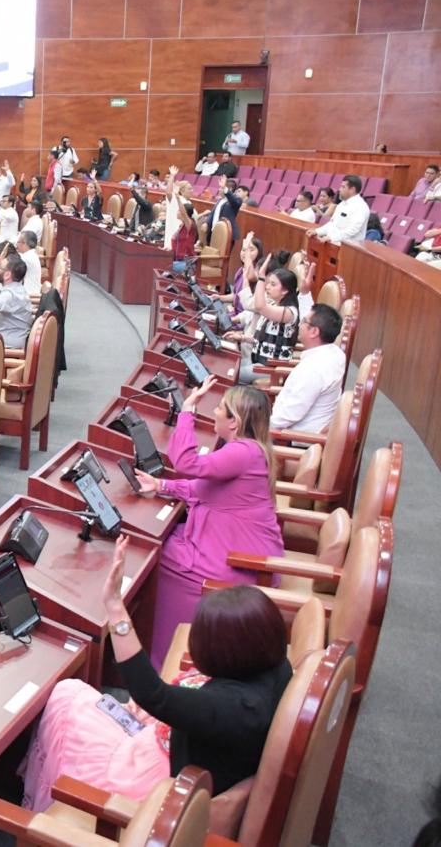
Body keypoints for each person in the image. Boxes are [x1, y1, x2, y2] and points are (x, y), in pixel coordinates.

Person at [20, 546, 292, 810]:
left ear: (221, 653)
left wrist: (115, 606)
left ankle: (40, 810)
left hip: (149, 781)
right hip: (179, 752)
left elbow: (152, 694)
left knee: (66, 696)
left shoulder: (231, 708)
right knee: (76, 697)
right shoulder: (278, 667)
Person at [132, 378, 285, 660]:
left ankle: (164, 658)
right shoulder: (249, 449)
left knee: (155, 556)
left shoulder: (242, 452)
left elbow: (186, 463)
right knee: (159, 544)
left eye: (219, 408)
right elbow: (204, 488)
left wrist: (187, 410)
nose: (214, 412)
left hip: (239, 562)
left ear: (234, 422)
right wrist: (161, 485)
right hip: (236, 548)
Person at [270, 304, 345, 433]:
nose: (299, 324)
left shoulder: (314, 369)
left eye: (303, 321)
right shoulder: (336, 353)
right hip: (299, 425)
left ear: (314, 332)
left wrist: (257, 426)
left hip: (293, 436)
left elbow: (287, 417)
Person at [227, 266, 301, 383]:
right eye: (268, 283)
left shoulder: (289, 312)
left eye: (273, 284)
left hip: (270, 367)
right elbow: (263, 338)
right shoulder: (275, 305)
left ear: (285, 291)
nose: (267, 287)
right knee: (229, 362)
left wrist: (261, 278)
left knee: (229, 374)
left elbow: (259, 306)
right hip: (258, 360)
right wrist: (242, 337)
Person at [0, 251, 34, 350]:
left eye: (0, 267)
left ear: (7, 275)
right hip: (7, 336)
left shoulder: (11, 295)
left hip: (6, 345)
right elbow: (5, 323)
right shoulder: (16, 289)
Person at [307, 175, 369, 244]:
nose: (339, 189)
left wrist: (332, 237)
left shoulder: (361, 207)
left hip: (347, 247)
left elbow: (353, 230)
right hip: (332, 243)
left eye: (343, 187)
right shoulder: (341, 204)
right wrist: (317, 231)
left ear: (352, 189)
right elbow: (332, 224)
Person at [206, 175, 245, 241]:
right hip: (213, 232)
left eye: (221, 188)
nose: (219, 190)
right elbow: (213, 213)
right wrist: (206, 223)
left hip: (226, 235)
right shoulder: (220, 200)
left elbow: (235, 201)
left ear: (230, 189)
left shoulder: (237, 200)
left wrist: (224, 188)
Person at [15, 230, 42, 295]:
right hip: (25, 293)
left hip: (29, 296)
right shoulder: (30, 254)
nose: (16, 245)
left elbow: (10, 264)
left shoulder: (28, 257)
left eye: (18, 242)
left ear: (24, 243)